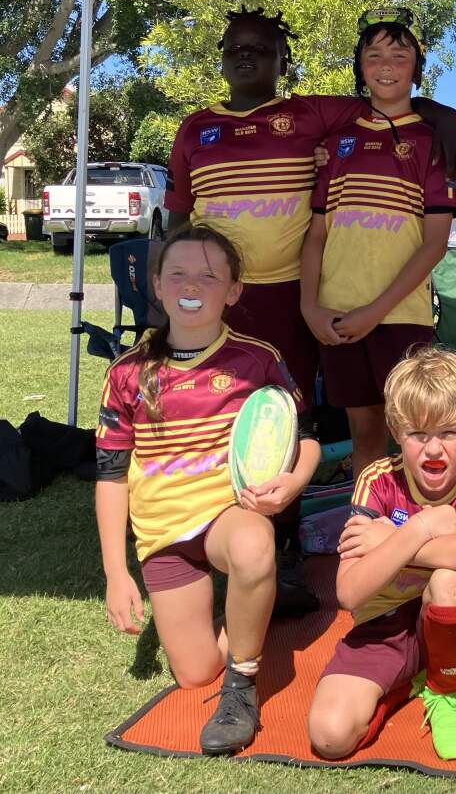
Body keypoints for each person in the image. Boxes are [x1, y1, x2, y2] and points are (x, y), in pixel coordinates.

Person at [165, 5, 456, 617]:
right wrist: (166, 296)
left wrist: (446, 115)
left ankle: (283, 554)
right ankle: (200, 541)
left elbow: (390, 97)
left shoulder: (316, 115)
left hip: (289, 302)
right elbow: (176, 221)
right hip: (220, 300)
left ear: (283, 61)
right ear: (221, 58)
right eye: (235, 47)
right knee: (210, 417)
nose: (246, 55)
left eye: (261, 47)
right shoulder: (195, 128)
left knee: (286, 423)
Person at [95, 224, 321, 755]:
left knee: (253, 545)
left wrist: (292, 483)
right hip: (163, 531)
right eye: (177, 273)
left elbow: (307, 437)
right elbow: (110, 477)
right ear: (157, 285)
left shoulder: (258, 358)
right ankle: (260, 599)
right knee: (195, 673)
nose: (191, 284)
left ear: (233, 291)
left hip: (227, 514)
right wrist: (115, 573)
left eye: (208, 275)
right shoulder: (127, 373)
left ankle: (241, 686)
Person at [307, 346, 456, 761]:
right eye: (418, 434)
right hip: (383, 621)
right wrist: (419, 528)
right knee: (329, 736)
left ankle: (445, 688)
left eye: (448, 433)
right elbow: (348, 592)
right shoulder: (377, 480)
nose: (433, 450)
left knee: (452, 582)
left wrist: (390, 541)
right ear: (396, 431)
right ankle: (410, 676)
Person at [301, 7, 456, 479]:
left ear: (417, 68)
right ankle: (366, 516)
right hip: (336, 315)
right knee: (364, 431)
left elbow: (435, 244)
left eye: (399, 55)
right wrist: (310, 307)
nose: (386, 65)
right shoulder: (336, 142)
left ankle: (417, 518)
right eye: (374, 55)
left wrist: (375, 311)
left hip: (400, 315)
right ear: (359, 67)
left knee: (418, 430)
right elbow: (316, 234)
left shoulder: (435, 141)